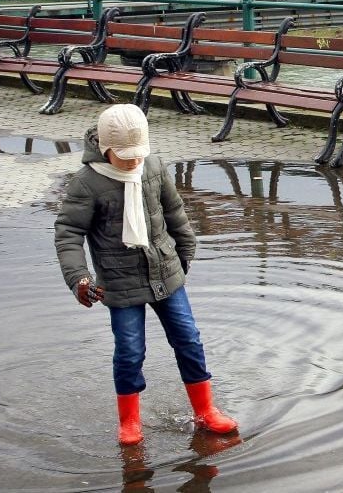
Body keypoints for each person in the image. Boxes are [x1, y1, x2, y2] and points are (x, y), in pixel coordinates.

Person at [54, 104, 237, 446]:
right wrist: (79, 278)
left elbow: (174, 211)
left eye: (139, 153)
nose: (134, 161)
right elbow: (68, 233)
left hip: (165, 270)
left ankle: (206, 410)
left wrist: (186, 250)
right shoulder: (87, 183)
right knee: (129, 351)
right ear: (105, 148)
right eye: (125, 156)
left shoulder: (152, 166)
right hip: (119, 281)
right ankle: (129, 422)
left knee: (188, 339)